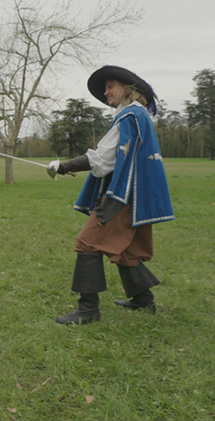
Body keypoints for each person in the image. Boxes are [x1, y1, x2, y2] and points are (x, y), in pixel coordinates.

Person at [47, 65, 174, 325]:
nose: (105, 93)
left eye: (110, 86)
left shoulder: (128, 116)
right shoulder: (139, 117)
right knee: (126, 251)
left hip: (124, 197)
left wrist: (66, 166)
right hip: (139, 197)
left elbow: (104, 159)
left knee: (88, 243)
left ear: (127, 88)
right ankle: (143, 300)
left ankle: (88, 310)